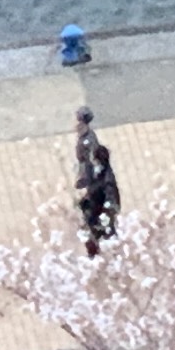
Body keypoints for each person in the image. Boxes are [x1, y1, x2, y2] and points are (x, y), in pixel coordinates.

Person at [73, 107, 122, 256]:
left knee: (104, 235)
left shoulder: (105, 178)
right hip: (96, 208)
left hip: (102, 213)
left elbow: (110, 200)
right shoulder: (97, 175)